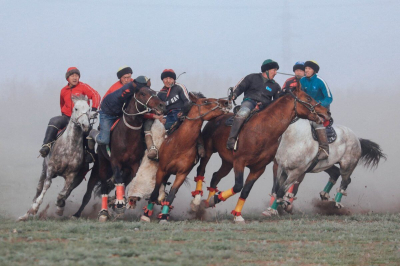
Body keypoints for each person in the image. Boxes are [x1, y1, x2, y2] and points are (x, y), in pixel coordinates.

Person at [39, 67, 101, 163]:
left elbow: (95, 95)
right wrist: (65, 114)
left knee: (88, 130)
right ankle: (46, 146)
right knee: (54, 121)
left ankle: (90, 153)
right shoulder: (63, 90)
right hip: (67, 117)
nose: (75, 78)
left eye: (76, 76)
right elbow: (62, 104)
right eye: (72, 76)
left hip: (82, 118)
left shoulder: (84, 87)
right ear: (68, 78)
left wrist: (93, 109)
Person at [143, 69, 203, 160]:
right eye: (165, 78)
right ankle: (157, 151)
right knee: (159, 130)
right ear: (162, 80)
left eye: (170, 78)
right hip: (168, 115)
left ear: (174, 79)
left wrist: (183, 112)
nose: (168, 80)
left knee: (193, 126)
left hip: (181, 112)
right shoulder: (160, 94)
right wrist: (159, 115)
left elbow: (187, 101)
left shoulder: (179, 87)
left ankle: (199, 146)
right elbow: (158, 109)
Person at [226, 59, 282, 150]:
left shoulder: (275, 86)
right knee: (242, 114)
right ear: (266, 70)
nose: (275, 73)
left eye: (276, 71)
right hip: (250, 102)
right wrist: (234, 95)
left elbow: (277, 102)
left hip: (265, 107)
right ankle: (231, 139)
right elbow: (240, 87)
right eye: (274, 70)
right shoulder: (252, 77)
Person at [88, 76, 151, 146]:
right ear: (138, 86)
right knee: (104, 140)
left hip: (119, 111)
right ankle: (92, 132)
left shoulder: (134, 86)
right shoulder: (126, 92)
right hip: (108, 113)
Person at [300, 60, 333, 160]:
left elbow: (329, 98)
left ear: (314, 70)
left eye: (309, 68)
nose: (306, 70)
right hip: (306, 110)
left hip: (320, 111)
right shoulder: (302, 81)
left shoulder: (320, 81)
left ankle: (324, 149)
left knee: (317, 123)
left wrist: (317, 105)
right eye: (305, 68)